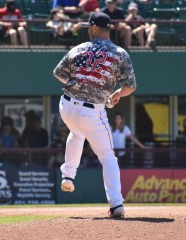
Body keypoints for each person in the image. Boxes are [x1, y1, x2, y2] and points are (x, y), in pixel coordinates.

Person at [53, 12, 137, 218]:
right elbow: (130, 86)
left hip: (66, 106)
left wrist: (79, 85)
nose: (88, 30)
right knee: (108, 157)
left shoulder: (79, 48)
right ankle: (116, 205)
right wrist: (117, 93)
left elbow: (58, 73)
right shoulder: (119, 53)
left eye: (89, 27)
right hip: (92, 112)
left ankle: (68, 176)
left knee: (76, 133)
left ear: (95, 28)